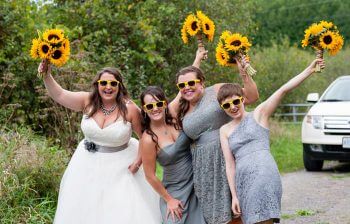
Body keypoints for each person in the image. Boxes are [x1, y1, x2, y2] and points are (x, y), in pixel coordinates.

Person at [37, 60, 161, 224]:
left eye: (112, 83)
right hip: (86, 164)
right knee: (84, 208)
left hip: (122, 167)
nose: (108, 87)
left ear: (119, 86)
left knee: (121, 211)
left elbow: (145, 135)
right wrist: (47, 75)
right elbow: (59, 94)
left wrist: (138, 162)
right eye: (103, 83)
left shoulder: (129, 108)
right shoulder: (86, 100)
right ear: (97, 85)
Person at [218, 59, 325, 224]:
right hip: (243, 181)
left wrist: (309, 70)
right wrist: (234, 196)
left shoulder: (259, 114)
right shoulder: (224, 130)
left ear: (243, 99)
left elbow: (283, 90)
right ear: (222, 108)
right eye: (227, 105)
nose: (232, 107)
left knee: (264, 220)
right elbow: (230, 165)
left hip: (264, 175)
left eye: (235, 101)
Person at [168, 49, 259, 224]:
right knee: (216, 215)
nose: (187, 88)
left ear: (202, 82)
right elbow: (164, 111)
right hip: (204, 166)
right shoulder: (180, 108)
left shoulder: (217, 90)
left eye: (192, 83)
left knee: (240, 208)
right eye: (181, 86)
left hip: (230, 155)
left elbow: (252, 96)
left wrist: (244, 73)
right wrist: (194, 64)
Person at [140, 86, 206, 224]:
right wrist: (169, 199)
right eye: (150, 105)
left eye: (159, 104)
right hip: (176, 190)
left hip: (198, 182)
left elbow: (185, 87)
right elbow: (150, 175)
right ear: (145, 109)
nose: (155, 108)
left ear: (165, 104)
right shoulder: (148, 138)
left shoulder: (176, 120)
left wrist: (198, 63)